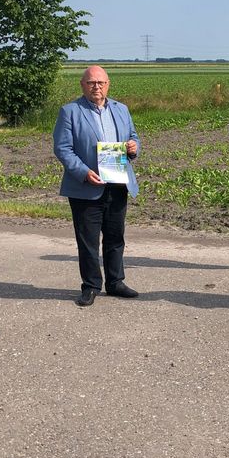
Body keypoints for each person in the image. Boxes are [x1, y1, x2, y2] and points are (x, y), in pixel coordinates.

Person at [53, 66, 142, 307]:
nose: (97, 87)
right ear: (82, 85)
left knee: (115, 236)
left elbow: (134, 137)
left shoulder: (121, 109)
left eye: (101, 82)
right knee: (88, 239)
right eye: (91, 82)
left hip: (117, 182)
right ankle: (91, 285)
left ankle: (116, 282)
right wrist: (83, 172)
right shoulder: (70, 111)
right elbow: (63, 148)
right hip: (86, 185)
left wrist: (134, 147)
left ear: (108, 84)